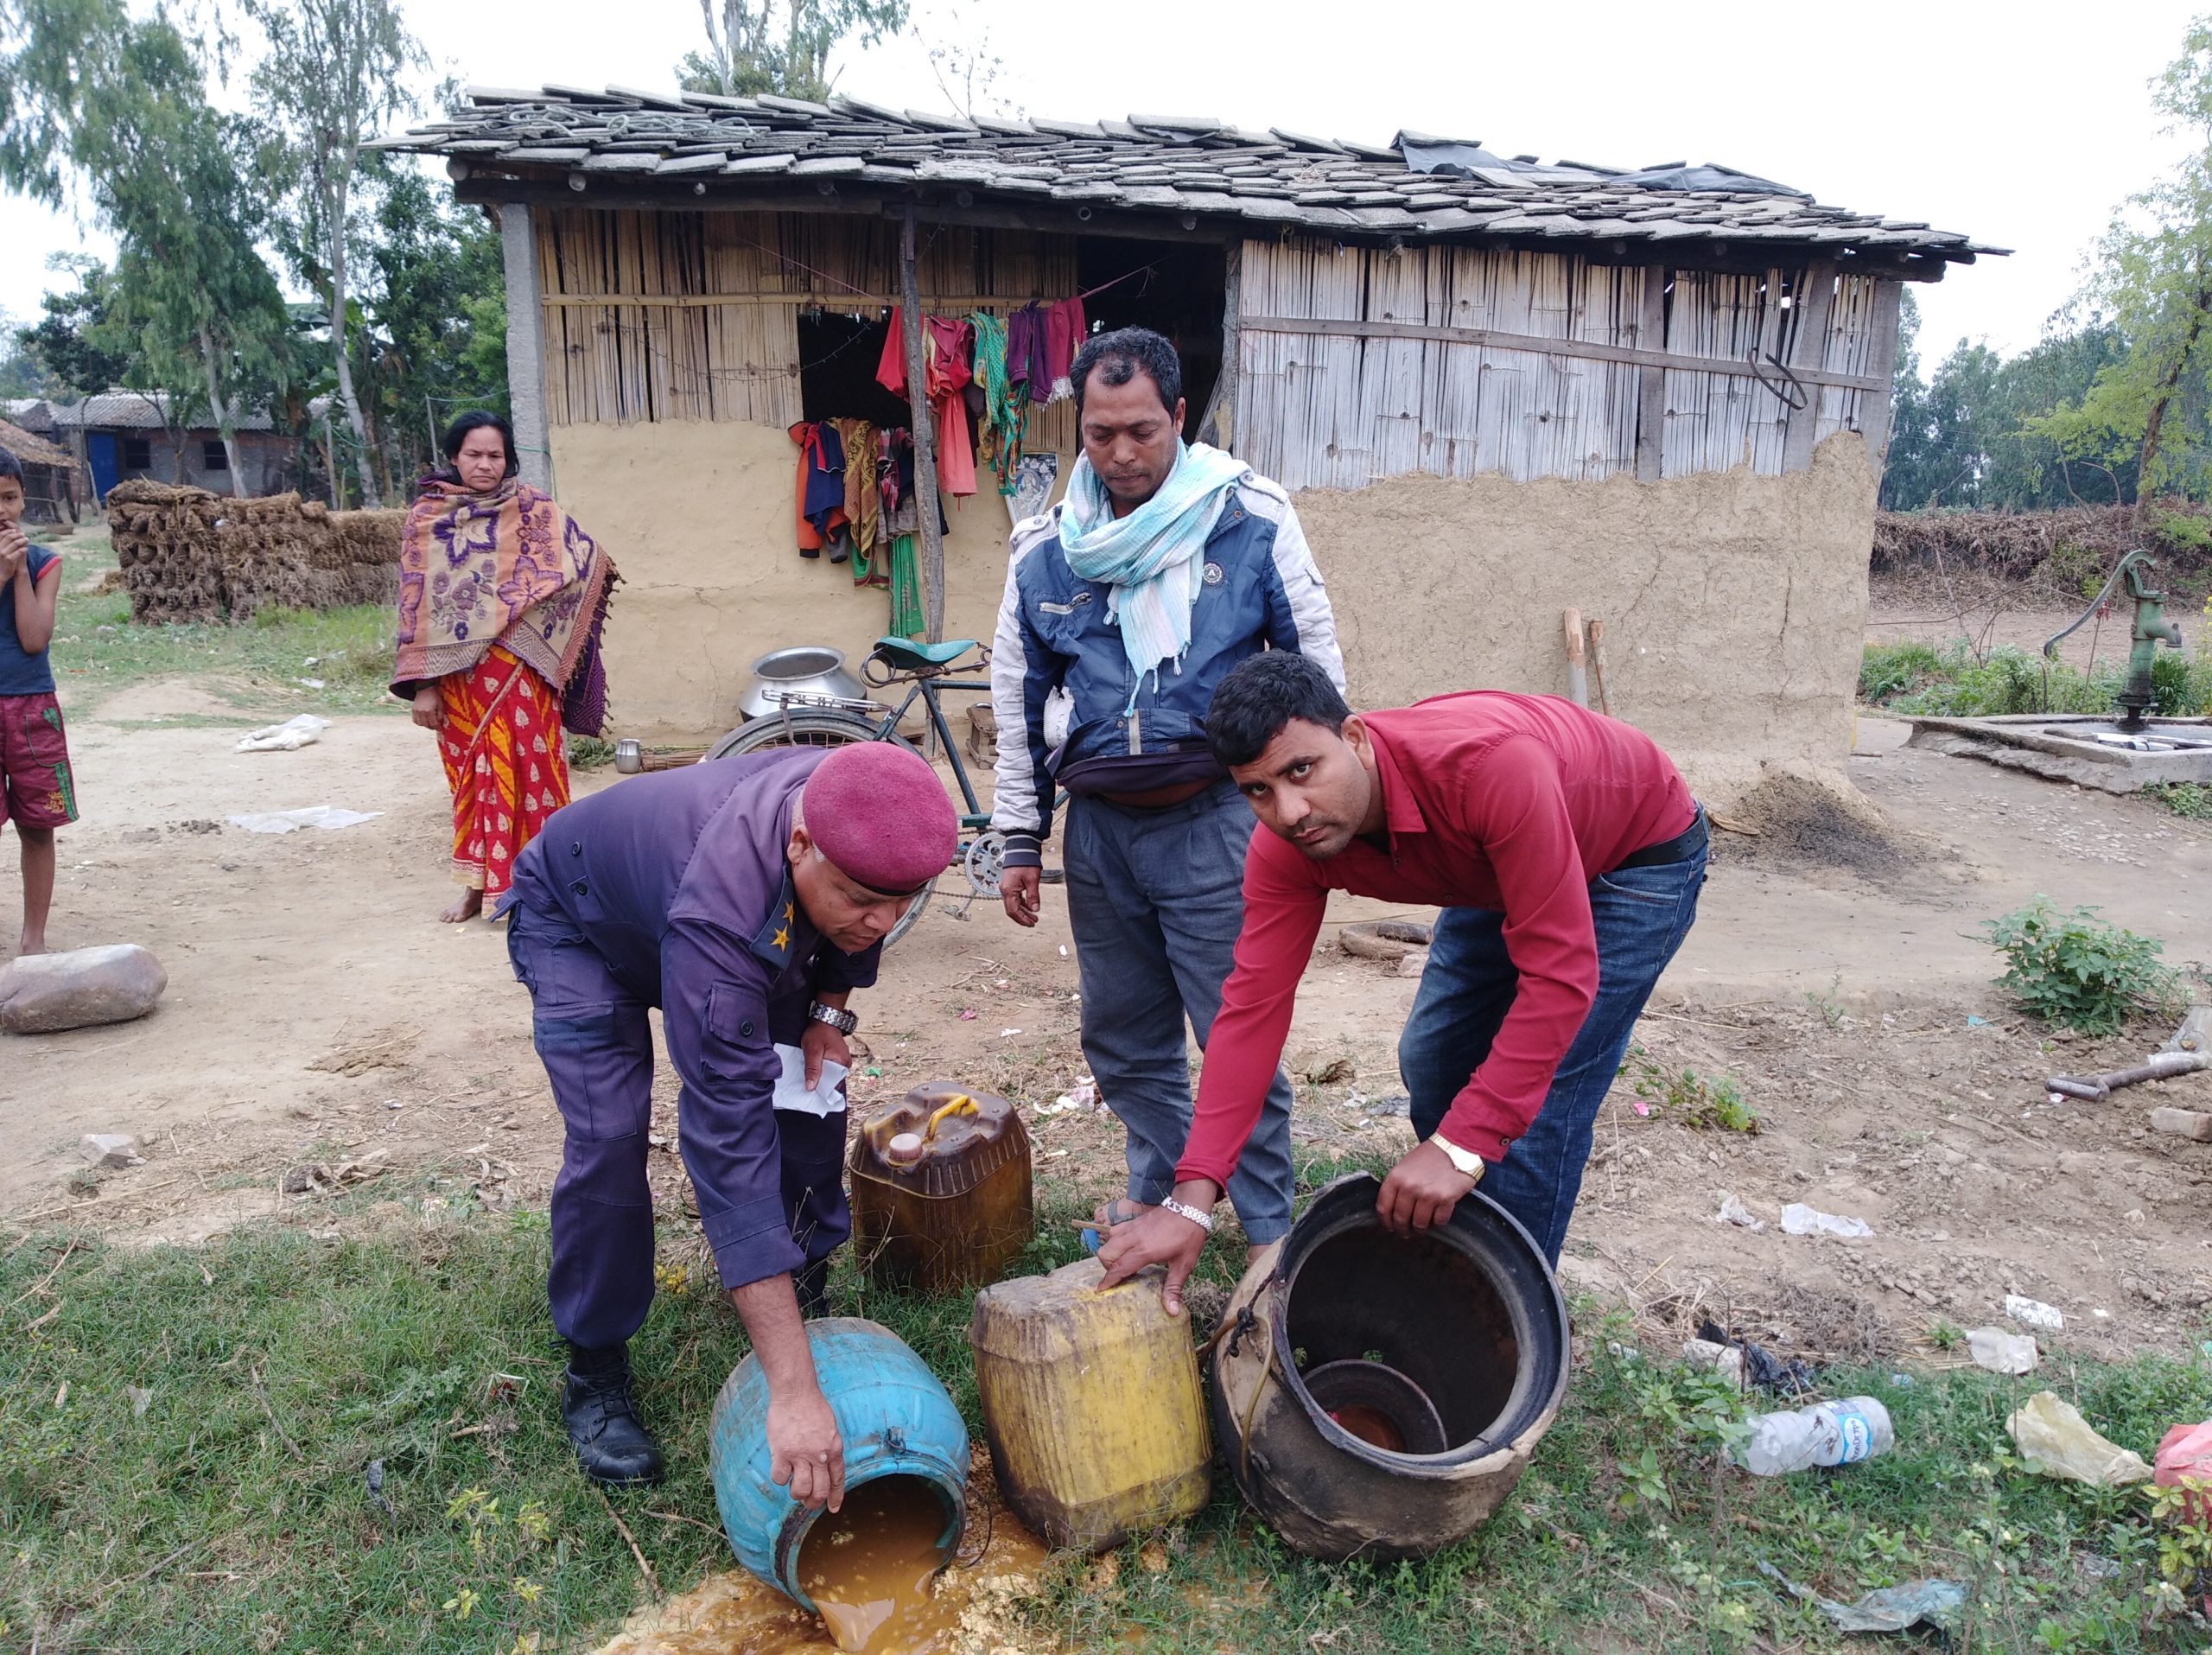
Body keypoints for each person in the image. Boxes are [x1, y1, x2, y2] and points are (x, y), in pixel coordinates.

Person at [1098, 652, 1708, 1313]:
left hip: (1632, 858)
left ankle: (1500, 1328)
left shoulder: (1491, 769)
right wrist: (1192, 1196)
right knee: (1435, 1057)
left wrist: (1464, 1142)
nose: (1291, 809)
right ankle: (1457, 1247)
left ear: (1355, 737)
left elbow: (1560, 976)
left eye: (1302, 770)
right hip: (1492, 865)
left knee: (1534, 1113)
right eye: (1258, 790)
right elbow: (1249, 1011)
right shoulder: (1288, 846)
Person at [502, 740, 955, 1498]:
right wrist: (793, 1392)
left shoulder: (853, 803)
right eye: (857, 899)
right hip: (580, 920)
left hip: (705, 907)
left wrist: (826, 1010)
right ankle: (596, 1366)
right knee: (611, 1136)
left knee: (806, 1087)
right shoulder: (724, 910)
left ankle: (801, 1291)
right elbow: (727, 1140)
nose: (880, 922)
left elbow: (860, 916)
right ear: (799, 843)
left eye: (901, 902)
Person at [988, 327, 1344, 1260]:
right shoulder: (1046, 547)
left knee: (1235, 1030)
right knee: (1123, 1036)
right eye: (1099, 434)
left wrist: (1323, 804)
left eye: (1141, 430)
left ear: (1179, 417)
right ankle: (1160, 1194)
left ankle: (1271, 1235)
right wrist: (1021, 838)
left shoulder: (1248, 516)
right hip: (1100, 833)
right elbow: (1015, 695)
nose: (1120, 454)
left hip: (1217, 824)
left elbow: (1314, 666)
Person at [391, 411, 615, 924]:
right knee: (472, 777)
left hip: (520, 671)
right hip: (458, 679)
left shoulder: (533, 509)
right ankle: (476, 886)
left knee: (530, 773)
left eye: (495, 455)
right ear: (454, 456)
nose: (485, 465)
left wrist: (532, 621)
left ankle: (540, 887)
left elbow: (585, 559)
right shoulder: (429, 516)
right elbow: (416, 604)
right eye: (474, 454)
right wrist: (424, 686)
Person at [0, 448, 72, 958]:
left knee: (37, 824)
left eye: (9, 497)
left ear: (24, 499)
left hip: (30, 710)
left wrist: (19, 570)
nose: (2, 511)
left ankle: (33, 940)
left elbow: (33, 638)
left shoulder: (46, 563)